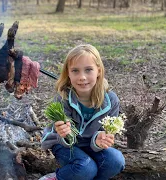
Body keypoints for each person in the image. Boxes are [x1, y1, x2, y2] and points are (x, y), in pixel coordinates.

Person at [41, 44, 125, 180]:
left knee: (116, 161)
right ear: (68, 73)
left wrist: (100, 140)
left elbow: (106, 132)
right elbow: (63, 138)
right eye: (75, 71)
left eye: (88, 70)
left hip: (91, 144)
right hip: (64, 145)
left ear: (98, 71)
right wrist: (63, 133)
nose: (82, 77)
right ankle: (57, 177)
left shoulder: (110, 100)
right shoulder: (62, 98)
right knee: (86, 168)